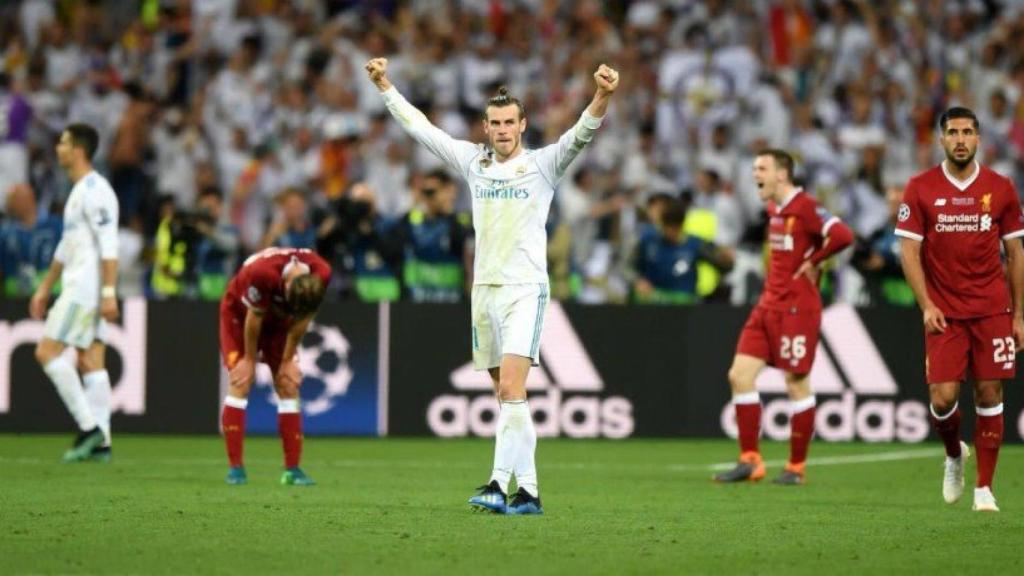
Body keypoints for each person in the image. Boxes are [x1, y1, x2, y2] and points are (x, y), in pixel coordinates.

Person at [366, 56, 619, 514]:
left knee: (510, 392)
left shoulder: (543, 165)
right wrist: (385, 86)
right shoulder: (472, 163)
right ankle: (530, 492)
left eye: (510, 122)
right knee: (509, 400)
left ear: (523, 125)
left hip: (524, 289)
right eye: (495, 123)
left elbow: (581, 134)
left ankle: (495, 484)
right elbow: (423, 129)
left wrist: (601, 95)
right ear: (485, 128)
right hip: (483, 292)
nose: (502, 129)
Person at [895, 106, 1024, 512]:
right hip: (945, 312)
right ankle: (954, 454)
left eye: (968, 132)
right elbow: (908, 251)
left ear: (979, 138)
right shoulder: (920, 187)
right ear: (942, 139)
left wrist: (1019, 314)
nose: (961, 139)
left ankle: (984, 489)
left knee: (990, 391)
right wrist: (926, 304)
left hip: (991, 309)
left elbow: (1015, 253)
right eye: (953, 132)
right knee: (942, 397)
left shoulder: (1001, 187)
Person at [714, 149, 853, 485]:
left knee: (795, 382)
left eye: (761, 168)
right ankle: (750, 460)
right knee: (739, 375)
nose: (754, 174)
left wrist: (816, 259)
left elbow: (844, 235)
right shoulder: (774, 209)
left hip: (796, 309)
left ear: (782, 174)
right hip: (767, 306)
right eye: (753, 168)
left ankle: (796, 467)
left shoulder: (805, 207)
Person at [29, 124, 119, 463]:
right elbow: (68, 247)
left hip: (86, 290)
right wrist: (45, 286)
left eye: (64, 142)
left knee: (47, 352)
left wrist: (109, 291)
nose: (58, 147)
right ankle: (104, 443)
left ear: (78, 150)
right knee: (91, 360)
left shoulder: (97, 191)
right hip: (81, 285)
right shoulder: (78, 191)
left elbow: (109, 243)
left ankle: (89, 428)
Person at [219, 246, 331, 486]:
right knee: (241, 381)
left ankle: (292, 470)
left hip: (279, 324)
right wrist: (249, 360)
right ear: (287, 286)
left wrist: (288, 360)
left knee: (288, 385)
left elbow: (303, 319)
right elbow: (254, 319)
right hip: (240, 316)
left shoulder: (321, 273)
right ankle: (235, 468)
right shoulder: (264, 274)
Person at [631, 198, 733, 304]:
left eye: (675, 228)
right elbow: (629, 267)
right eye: (667, 227)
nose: (671, 232)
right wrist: (637, 280)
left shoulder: (696, 244)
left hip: (684, 300)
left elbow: (725, 266)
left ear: (681, 225)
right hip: (653, 296)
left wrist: (725, 259)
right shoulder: (649, 241)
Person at [394, 169, 473, 302]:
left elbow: (463, 245)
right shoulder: (413, 220)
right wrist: (416, 204)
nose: (429, 197)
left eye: (433, 191)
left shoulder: (461, 221)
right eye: (426, 191)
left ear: (448, 191)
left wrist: (448, 213)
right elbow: (393, 244)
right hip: (418, 298)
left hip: (451, 299)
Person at [0, 183, 63, 297]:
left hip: (51, 293)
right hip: (16, 297)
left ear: (27, 199)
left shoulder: (55, 226)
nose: (8, 205)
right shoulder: (5, 232)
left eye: (12, 200)